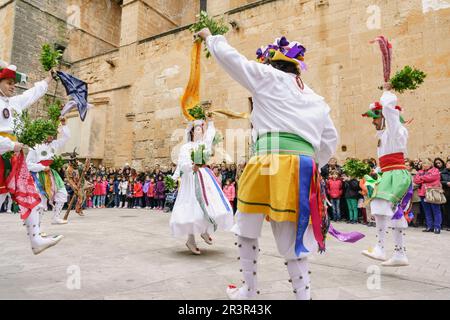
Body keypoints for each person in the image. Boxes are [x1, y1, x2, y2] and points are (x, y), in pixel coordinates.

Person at [196, 29, 362, 300]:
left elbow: (233, 60)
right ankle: (302, 296)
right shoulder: (317, 99)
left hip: (266, 162)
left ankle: (249, 290)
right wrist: (310, 163)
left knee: (247, 228)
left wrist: (211, 37)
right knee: (292, 236)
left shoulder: (267, 77)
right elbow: (329, 139)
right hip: (301, 167)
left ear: (272, 63)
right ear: (298, 67)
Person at [0, 61, 62, 254]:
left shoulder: (14, 102)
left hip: (15, 158)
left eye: (14, 83)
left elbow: (33, 93)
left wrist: (49, 78)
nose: (13, 86)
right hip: (3, 157)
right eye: (9, 82)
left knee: (31, 195)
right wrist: (10, 145)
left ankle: (36, 240)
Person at [361, 87, 413, 266]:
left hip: (396, 174)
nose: (373, 122)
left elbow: (390, 111)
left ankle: (381, 248)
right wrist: (376, 171)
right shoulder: (384, 135)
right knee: (390, 211)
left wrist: (387, 92)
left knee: (380, 205)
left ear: (384, 116)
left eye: (375, 117)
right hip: (389, 173)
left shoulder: (395, 130)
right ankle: (399, 253)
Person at [170, 118, 234, 255]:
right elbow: (182, 164)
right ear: (192, 132)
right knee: (192, 208)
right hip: (192, 178)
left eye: (201, 129)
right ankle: (191, 239)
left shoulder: (203, 144)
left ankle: (204, 231)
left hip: (204, 176)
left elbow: (210, 136)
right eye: (197, 129)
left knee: (210, 204)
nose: (200, 131)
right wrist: (190, 167)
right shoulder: (186, 147)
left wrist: (210, 123)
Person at [27, 118, 71, 225]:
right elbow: (28, 164)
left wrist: (64, 124)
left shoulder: (54, 144)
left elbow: (66, 137)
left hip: (51, 173)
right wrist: (42, 168)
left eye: (52, 134)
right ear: (43, 134)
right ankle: (37, 227)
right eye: (49, 134)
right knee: (41, 200)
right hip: (39, 175)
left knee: (62, 193)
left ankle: (56, 218)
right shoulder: (35, 147)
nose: (51, 136)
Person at [414, 158, 443, 234]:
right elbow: (416, 180)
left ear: (430, 164)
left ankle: (437, 227)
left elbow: (433, 178)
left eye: (426, 163)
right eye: (423, 163)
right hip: (423, 193)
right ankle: (429, 226)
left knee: (436, 210)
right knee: (427, 211)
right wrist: (425, 178)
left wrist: (422, 178)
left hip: (433, 193)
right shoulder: (420, 171)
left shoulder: (435, 170)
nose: (424, 165)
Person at [441, 160, 450, 231]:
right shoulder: (442, 173)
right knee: (447, 210)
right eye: (447, 163)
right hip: (447, 193)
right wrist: (446, 183)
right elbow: (439, 181)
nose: (448, 165)